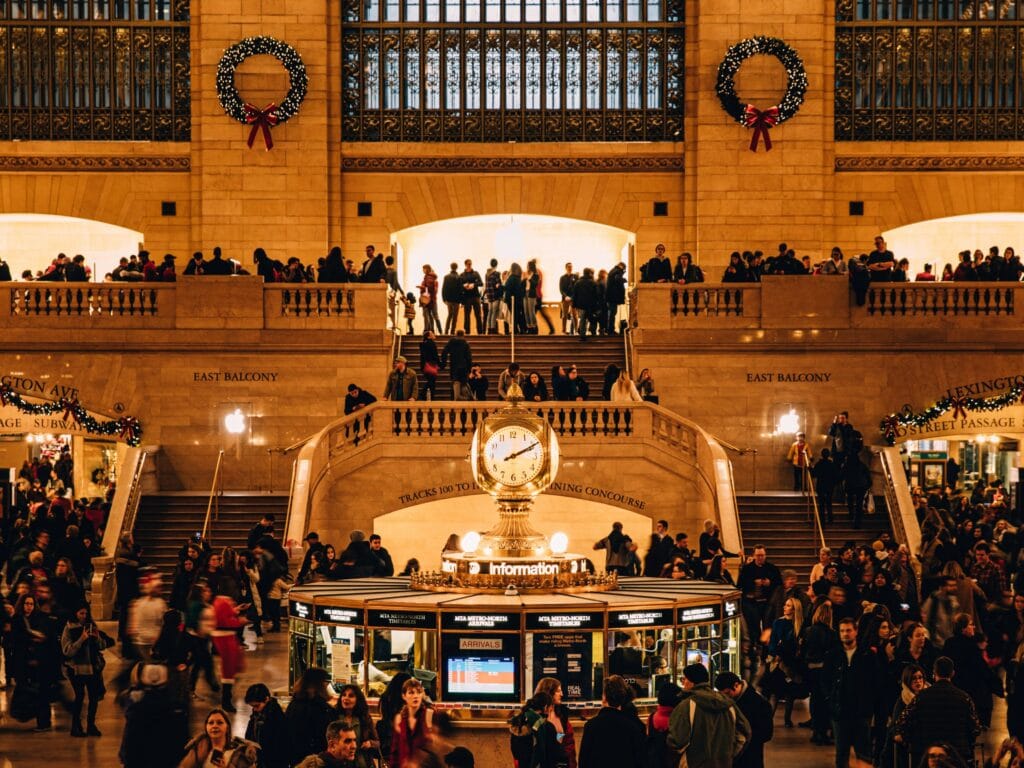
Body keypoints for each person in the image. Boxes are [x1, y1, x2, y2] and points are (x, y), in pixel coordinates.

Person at [894, 656, 982, 768]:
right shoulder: (964, 697)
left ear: (934, 673)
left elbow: (902, 723)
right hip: (957, 754)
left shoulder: (921, 697)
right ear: (952, 673)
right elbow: (975, 728)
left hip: (927, 754)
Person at [667, 664, 750, 768]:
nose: (683, 683)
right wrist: (729, 755)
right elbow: (744, 733)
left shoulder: (686, 705)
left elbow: (677, 741)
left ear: (691, 682)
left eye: (684, 679)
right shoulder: (728, 704)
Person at [823, 617, 879, 768]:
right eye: (842, 631)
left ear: (856, 632)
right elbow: (826, 680)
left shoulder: (867, 656)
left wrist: (870, 706)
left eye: (848, 630)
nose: (845, 634)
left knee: (864, 752)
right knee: (841, 753)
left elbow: (875, 682)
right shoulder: (833, 655)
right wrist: (831, 700)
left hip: (861, 712)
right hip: (839, 711)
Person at [61, 602, 113, 737]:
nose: (84, 616)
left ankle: (91, 725)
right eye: (81, 613)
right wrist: (81, 639)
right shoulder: (69, 628)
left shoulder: (92, 626)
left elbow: (102, 646)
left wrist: (97, 638)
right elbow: (67, 651)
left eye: (85, 613)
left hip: (93, 667)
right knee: (79, 697)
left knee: (93, 697)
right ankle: (76, 726)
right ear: (75, 614)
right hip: (77, 669)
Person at [577, 675, 646, 768]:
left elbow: (584, 761)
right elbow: (640, 761)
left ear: (604, 697)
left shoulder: (591, 726)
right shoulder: (633, 727)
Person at [715, 671, 773, 768]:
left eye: (727, 693)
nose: (725, 697)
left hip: (750, 757)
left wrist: (744, 738)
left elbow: (766, 733)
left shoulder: (759, 703)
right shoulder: (729, 702)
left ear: (736, 685)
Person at [286, 668, 338, 767]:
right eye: (325, 682)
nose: (327, 685)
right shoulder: (319, 707)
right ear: (319, 684)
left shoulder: (294, 704)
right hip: (315, 760)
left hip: (296, 759)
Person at [179, 708, 260, 768]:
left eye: (220, 723)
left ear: (227, 727)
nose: (215, 726)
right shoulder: (199, 748)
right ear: (206, 727)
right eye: (211, 723)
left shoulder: (240, 753)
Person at [390, 677, 433, 768]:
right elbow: (395, 751)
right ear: (404, 696)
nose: (416, 696)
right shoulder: (400, 719)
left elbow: (434, 748)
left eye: (419, 692)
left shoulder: (429, 715)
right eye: (411, 692)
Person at [334, 684, 380, 768]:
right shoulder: (334, 716)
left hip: (361, 763)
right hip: (339, 763)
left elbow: (377, 742)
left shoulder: (364, 718)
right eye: (344, 695)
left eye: (351, 696)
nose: (346, 698)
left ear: (358, 700)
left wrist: (370, 743)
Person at [244, 683, 289, 768]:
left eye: (257, 706)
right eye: (252, 706)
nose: (254, 709)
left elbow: (279, 746)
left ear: (266, 699)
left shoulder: (277, 717)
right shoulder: (257, 715)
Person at [440, 329, 473, 400]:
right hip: (464, 367)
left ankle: (455, 399)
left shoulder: (451, 342)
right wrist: (469, 369)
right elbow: (469, 358)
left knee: (455, 383)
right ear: (463, 335)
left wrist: (443, 364)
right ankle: (466, 399)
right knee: (463, 384)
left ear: (456, 334)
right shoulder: (465, 344)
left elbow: (444, 352)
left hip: (454, 367)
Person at [811, 448, 839, 524]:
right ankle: (830, 519)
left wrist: (810, 469)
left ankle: (822, 521)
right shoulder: (832, 464)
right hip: (830, 486)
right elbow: (836, 475)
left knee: (821, 504)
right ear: (829, 455)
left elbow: (814, 474)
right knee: (829, 503)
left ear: (822, 455)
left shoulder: (819, 464)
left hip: (821, 486)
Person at [572, 267, 599, 341]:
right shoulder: (593, 282)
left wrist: (574, 305)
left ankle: (582, 335)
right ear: (589, 273)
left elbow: (575, 294)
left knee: (583, 320)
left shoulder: (578, 282)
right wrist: (597, 305)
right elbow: (596, 295)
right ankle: (593, 332)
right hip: (591, 304)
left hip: (581, 305)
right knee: (592, 318)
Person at [459, 259, 484, 334]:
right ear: (465, 265)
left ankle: (480, 332)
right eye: (468, 264)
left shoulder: (476, 273)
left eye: (470, 264)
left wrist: (474, 285)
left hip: (476, 296)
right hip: (467, 297)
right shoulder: (462, 275)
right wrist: (464, 286)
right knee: (467, 315)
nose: (470, 265)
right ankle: (467, 332)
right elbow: (459, 286)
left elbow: (481, 283)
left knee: (478, 315)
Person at [418, 264, 441, 335]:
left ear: (427, 269)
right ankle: (439, 331)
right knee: (434, 315)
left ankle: (427, 330)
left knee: (427, 315)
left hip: (428, 299)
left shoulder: (428, 277)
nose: (423, 270)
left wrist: (422, 287)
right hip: (433, 299)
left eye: (423, 269)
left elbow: (429, 288)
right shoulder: (432, 278)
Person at [441, 262, 462, 334]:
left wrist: (444, 299)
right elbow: (460, 290)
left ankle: (446, 331)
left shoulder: (446, 277)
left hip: (449, 299)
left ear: (451, 267)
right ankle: (452, 331)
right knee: (455, 317)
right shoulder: (459, 277)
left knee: (449, 315)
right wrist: (461, 301)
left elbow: (444, 288)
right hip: (456, 300)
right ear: (457, 267)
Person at [420, 330, 440, 400]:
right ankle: (423, 394)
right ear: (428, 336)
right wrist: (440, 363)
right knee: (432, 382)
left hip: (425, 365)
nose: (434, 334)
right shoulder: (432, 343)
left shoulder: (423, 344)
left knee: (431, 381)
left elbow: (423, 356)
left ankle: (427, 395)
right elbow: (435, 355)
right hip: (431, 365)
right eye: (432, 333)